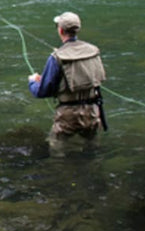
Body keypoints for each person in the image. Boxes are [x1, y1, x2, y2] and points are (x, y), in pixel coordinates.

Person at [27, 12, 107, 156]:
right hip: (93, 111)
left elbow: (42, 92)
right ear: (78, 29)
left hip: (67, 115)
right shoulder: (93, 51)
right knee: (93, 150)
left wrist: (33, 82)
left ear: (61, 30)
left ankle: (64, 176)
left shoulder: (57, 57)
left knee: (57, 150)